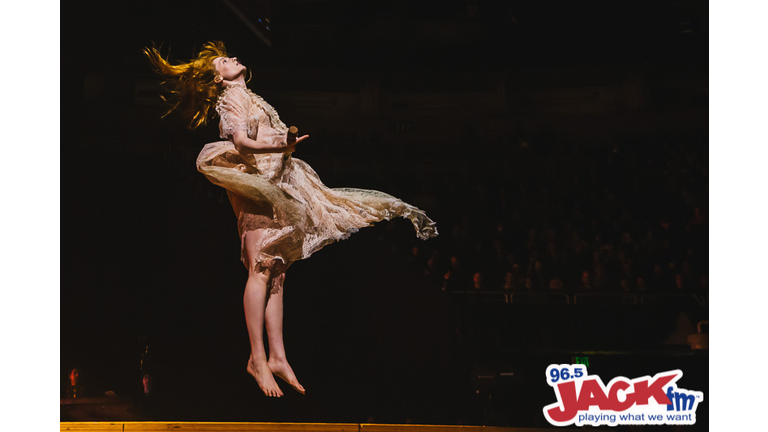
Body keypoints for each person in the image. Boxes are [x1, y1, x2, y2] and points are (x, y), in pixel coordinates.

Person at [144, 42, 438, 398]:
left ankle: (278, 357)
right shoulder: (232, 98)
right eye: (224, 61)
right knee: (261, 267)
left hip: (273, 183)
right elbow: (240, 142)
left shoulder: (249, 95)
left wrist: (282, 144)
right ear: (218, 78)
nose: (233, 58)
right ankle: (257, 358)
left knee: (277, 271)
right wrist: (280, 146)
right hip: (256, 186)